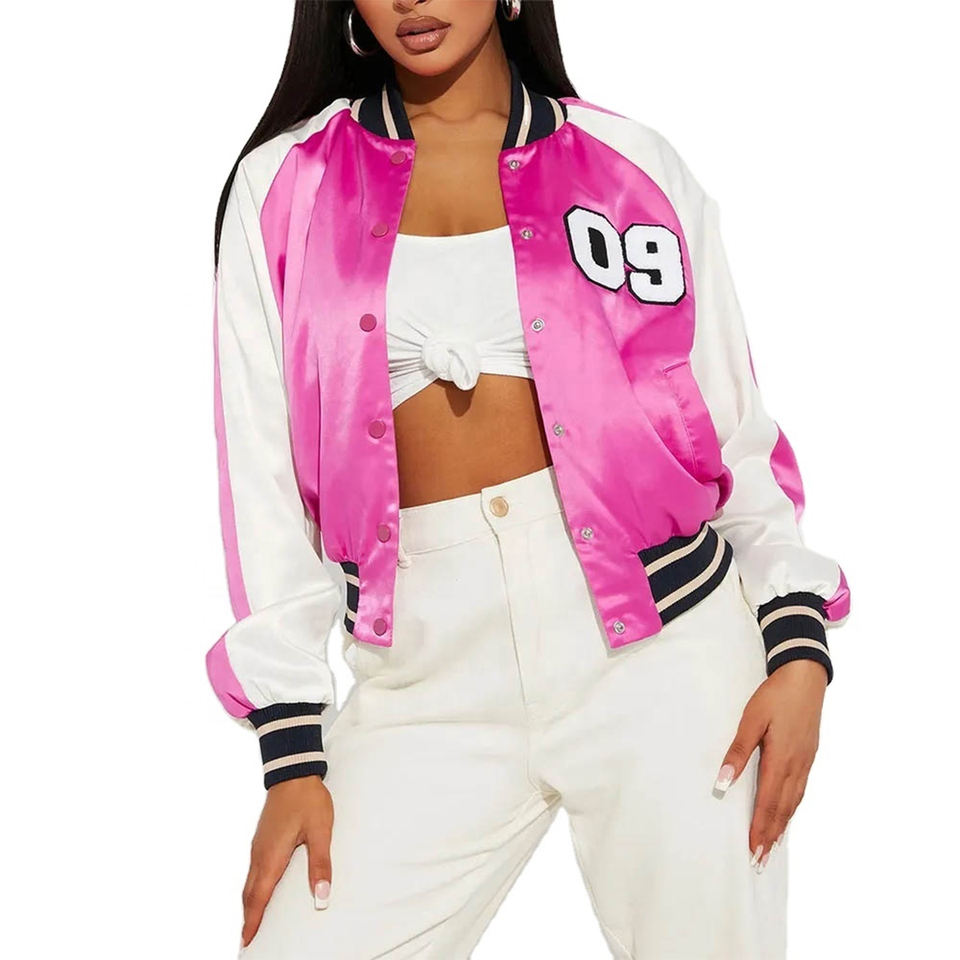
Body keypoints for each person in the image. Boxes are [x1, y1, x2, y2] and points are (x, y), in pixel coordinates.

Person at [207, 1, 850, 956]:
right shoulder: (283, 186)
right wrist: (292, 753)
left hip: (664, 647)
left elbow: (732, 434)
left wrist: (798, 647)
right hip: (425, 675)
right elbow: (260, 481)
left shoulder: (631, 165)